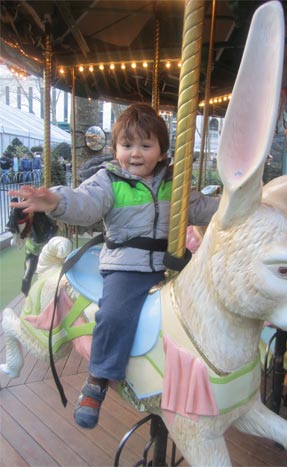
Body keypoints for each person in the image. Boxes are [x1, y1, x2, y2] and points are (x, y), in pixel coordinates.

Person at [9, 103, 219, 429]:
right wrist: (55, 201)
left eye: (145, 146)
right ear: (115, 148)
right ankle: (98, 379)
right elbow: (86, 203)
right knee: (116, 313)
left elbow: (202, 208)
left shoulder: (173, 184)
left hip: (171, 262)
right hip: (128, 266)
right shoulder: (109, 181)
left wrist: (239, 203)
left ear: (162, 151)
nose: (135, 154)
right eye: (127, 145)